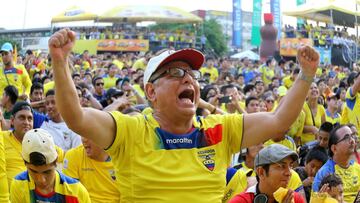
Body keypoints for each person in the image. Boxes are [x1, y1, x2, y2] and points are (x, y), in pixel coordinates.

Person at [49, 28, 319, 202]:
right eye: (176, 73)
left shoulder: (219, 130)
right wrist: (60, 62)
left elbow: (279, 121)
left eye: (191, 74)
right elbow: (76, 117)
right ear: (151, 92)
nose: (188, 79)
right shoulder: (130, 130)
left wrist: (306, 75)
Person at [10, 128, 90, 202]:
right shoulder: (18, 184)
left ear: (56, 161)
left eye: (47, 172)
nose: (41, 180)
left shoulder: (77, 191)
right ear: (24, 163)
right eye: (33, 171)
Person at [2, 101, 64, 187]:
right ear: (12, 120)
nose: (26, 122)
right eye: (22, 118)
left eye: (30, 118)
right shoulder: (2, 138)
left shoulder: (39, 140)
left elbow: (65, 157)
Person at [229, 144, 305, 203]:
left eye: (290, 166)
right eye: (281, 166)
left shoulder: (295, 199)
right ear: (261, 172)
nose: (289, 173)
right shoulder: (242, 201)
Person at [63, 137, 120, 203]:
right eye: (82, 134)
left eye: (88, 134)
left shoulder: (123, 158)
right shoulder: (73, 156)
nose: (84, 139)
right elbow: (71, 195)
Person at [312, 125, 360, 202]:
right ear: (334, 148)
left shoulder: (358, 168)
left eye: (352, 136)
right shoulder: (325, 173)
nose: (352, 141)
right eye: (346, 138)